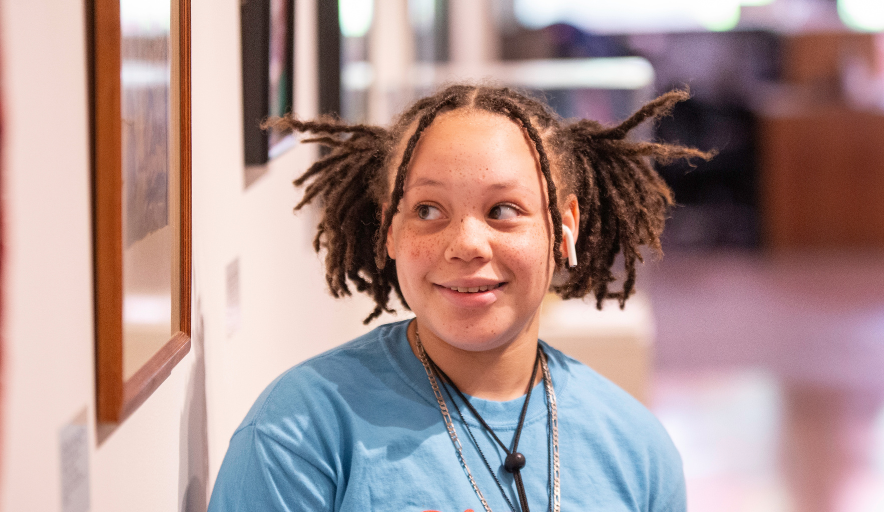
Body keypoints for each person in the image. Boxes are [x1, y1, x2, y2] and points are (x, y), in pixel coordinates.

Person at [208, 84, 711, 511]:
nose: (467, 244)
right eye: (428, 210)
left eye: (503, 209)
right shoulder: (300, 430)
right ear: (389, 229)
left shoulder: (637, 450)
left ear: (564, 228)